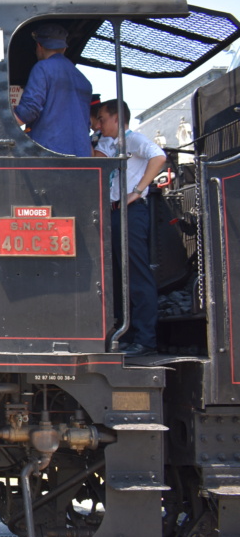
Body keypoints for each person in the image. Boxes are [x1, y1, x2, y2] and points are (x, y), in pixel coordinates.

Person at [93, 99, 166, 357]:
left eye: (102, 119)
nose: (99, 125)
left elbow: (159, 156)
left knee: (136, 274)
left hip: (131, 211)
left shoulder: (133, 139)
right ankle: (130, 334)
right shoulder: (107, 143)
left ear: (116, 118)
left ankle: (146, 339)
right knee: (119, 276)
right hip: (114, 211)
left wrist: (137, 190)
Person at [13, 23, 93, 157]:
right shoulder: (84, 80)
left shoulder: (42, 68)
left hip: (50, 153)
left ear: (39, 46)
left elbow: (28, 111)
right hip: (82, 155)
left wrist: (2, 124)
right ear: (64, 49)